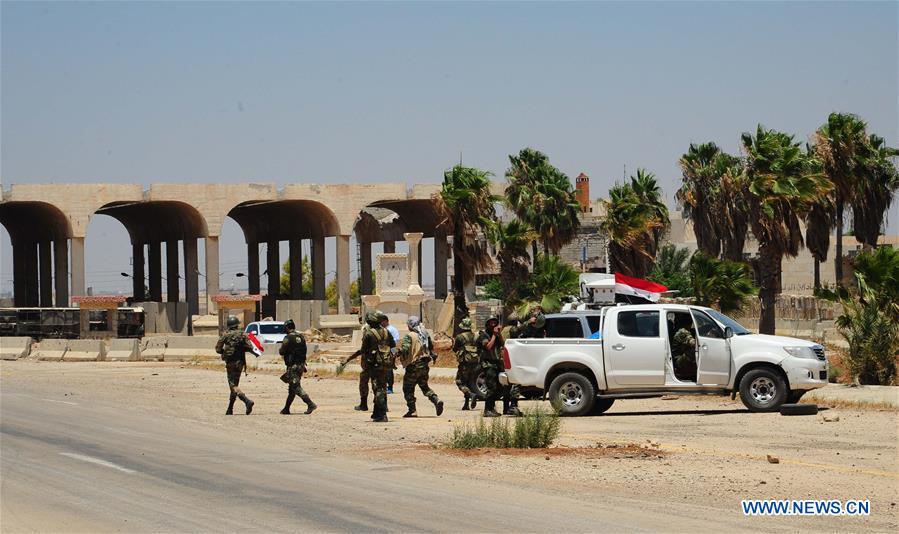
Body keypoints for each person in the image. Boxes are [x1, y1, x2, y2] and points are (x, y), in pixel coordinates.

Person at [396, 316, 444, 418]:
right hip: (424, 365)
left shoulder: (410, 336)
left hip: (413, 366)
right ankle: (435, 399)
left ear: (410, 325)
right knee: (424, 387)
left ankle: (412, 410)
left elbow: (405, 348)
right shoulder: (425, 334)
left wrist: (396, 353)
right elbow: (431, 348)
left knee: (407, 389)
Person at [215, 315, 255, 415]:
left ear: (229, 325)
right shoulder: (243, 334)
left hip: (231, 363)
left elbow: (218, 349)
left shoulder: (225, 335)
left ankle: (247, 401)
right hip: (240, 363)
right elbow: (250, 347)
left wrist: (225, 352)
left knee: (233, 386)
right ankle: (230, 409)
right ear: (237, 325)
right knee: (235, 385)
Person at [278, 319, 317, 415]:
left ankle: (310, 403)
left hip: (293, 366)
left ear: (287, 327)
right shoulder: (301, 337)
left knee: (296, 386)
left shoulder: (288, 338)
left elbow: (282, 351)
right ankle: (286, 408)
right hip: (301, 365)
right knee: (292, 388)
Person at [361, 311, 393, 422]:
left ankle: (382, 414)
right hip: (386, 363)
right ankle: (376, 412)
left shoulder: (369, 333)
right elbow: (392, 344)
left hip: (374, 364)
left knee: (378, 389)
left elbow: (363, 350)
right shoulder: (386, 331)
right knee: (382, 387)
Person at [452, 318, 481, 411]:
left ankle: (471, 395)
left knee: (460, 382)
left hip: (464, 364)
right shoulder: (476, 336)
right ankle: (466, 404)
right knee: (469, 383)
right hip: (475, 363)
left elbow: (455, 349)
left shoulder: (460, 337)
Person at [478, 315, 504, 417]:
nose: (493, 324)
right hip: (487, 364)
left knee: (497, 388)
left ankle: (491, 408)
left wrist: (499, 335)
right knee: (491, 387)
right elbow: (488, 347)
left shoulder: (496, 335)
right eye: (491, 323)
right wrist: (493, 335)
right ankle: (487, 410)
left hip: (496, 363)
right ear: (487, 324)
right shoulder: (483, 335)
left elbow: (502, 344)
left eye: (495, 323)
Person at [498, 314, 523, 417]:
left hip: (502, 357)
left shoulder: (503, 330)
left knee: (506, 384)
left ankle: (505, 407)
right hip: (511, 358)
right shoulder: (513, 330)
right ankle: (513, 405)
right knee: (515, 382)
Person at [383, 316, 400, 394]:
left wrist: (394, 353)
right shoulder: (381, 330)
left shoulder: (392, 330)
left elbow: (395, 341)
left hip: (389, 352)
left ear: (386, 321)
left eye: (382, 321)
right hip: (382, 352)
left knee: (389, 370)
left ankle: (390, 387)